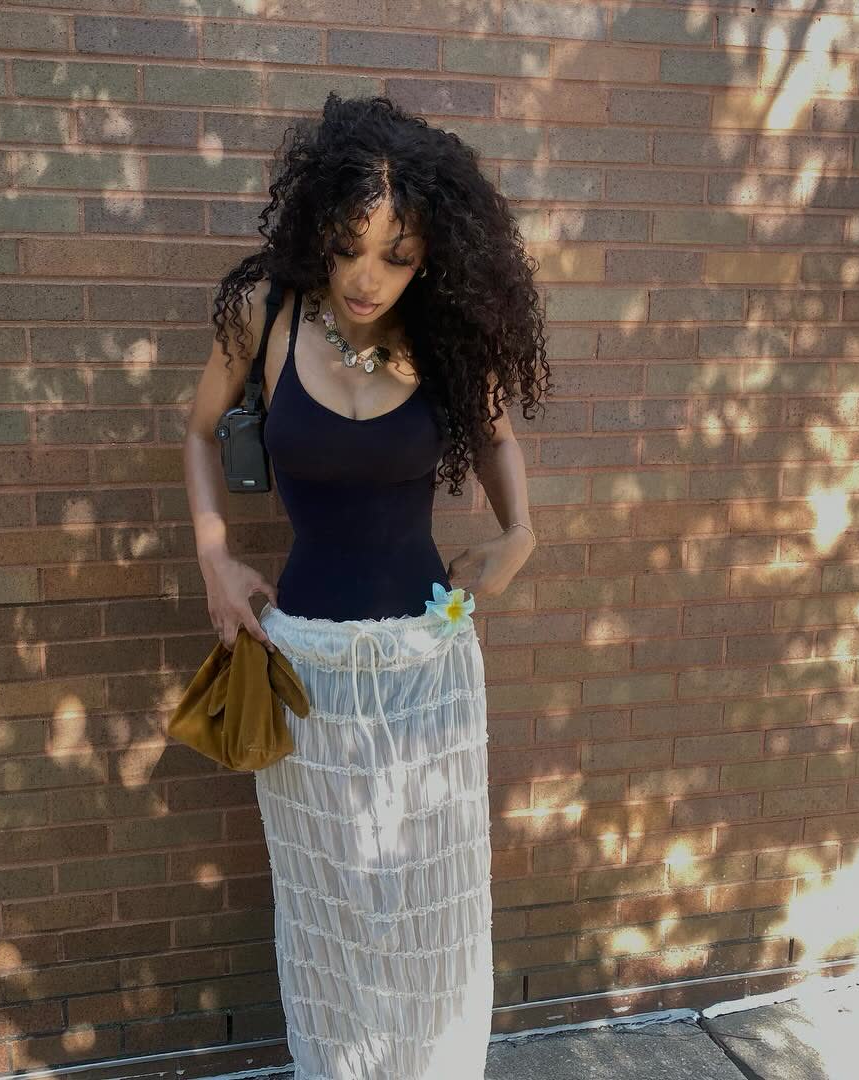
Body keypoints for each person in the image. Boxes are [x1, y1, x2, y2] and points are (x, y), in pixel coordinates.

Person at [182, 93, 553, 1079]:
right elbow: (198, 432)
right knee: (330, 905)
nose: (367, 276)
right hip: (304, 664)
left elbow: (497, 439)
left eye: (398, 254)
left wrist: (518, 536)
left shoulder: (444, 328)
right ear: (319, 227)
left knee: (430, 902)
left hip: (429, 661)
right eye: (350, 247)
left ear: (431, 254)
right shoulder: (265, 314)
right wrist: (215, 557)